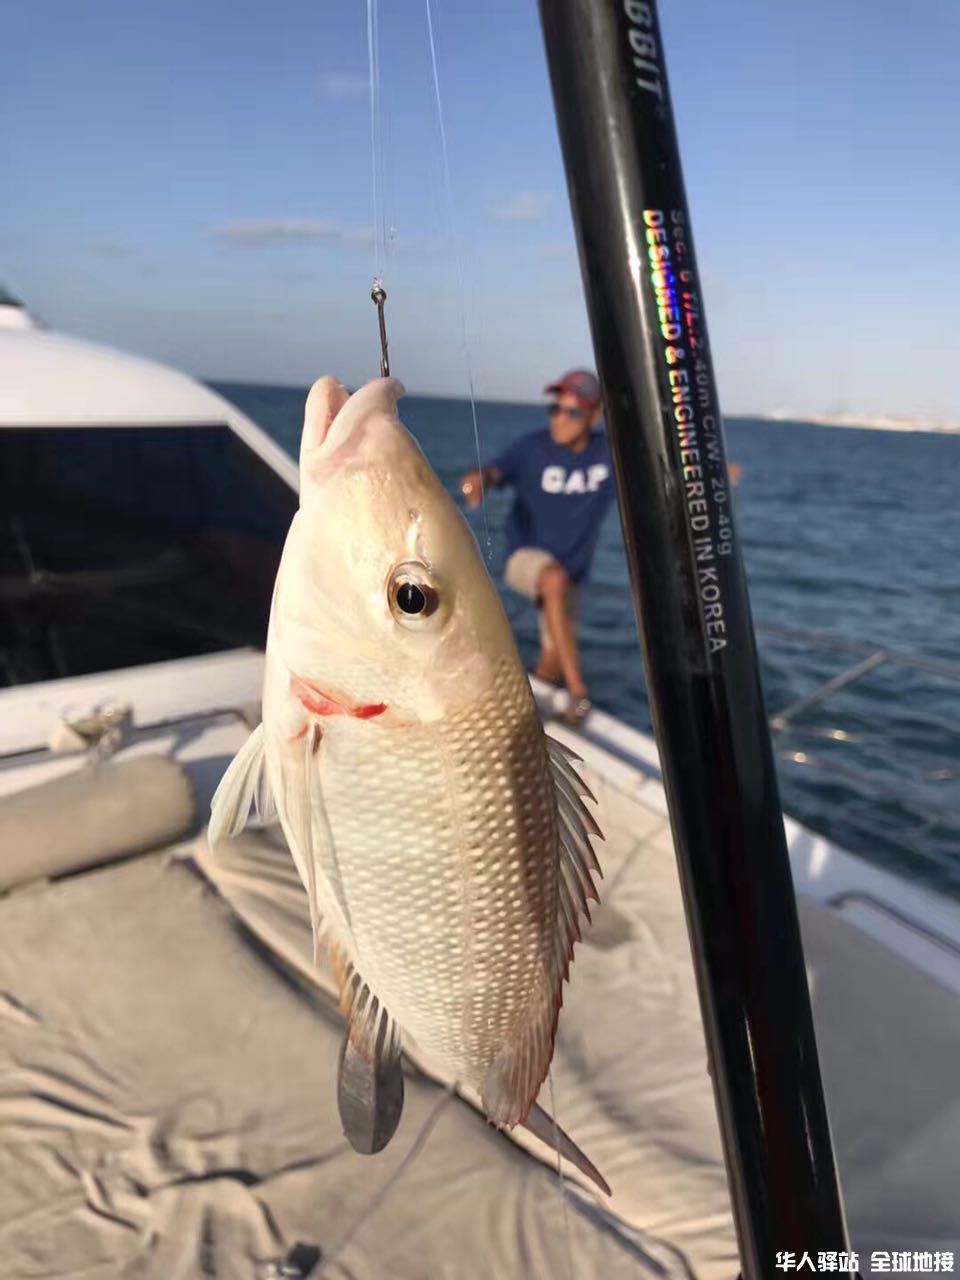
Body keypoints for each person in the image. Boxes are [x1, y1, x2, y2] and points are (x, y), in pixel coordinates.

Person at [459, 370, 614, 726]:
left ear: (594, 415)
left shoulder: (608, 454)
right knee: (553, 579)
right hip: (524, 561)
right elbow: (497, 470)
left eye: (572, 412)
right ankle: (578, 692)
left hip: (571, 570)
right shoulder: (533, 448)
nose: (560, 418)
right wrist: (479, 479)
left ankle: (526, 714)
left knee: (553, 656)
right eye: (555, 409)